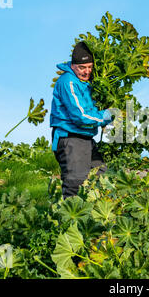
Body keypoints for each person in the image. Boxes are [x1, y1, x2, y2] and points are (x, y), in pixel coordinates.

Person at [50, 41, 112, 199]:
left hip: (86, 139)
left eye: (90, 67)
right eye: (82, 67)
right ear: (73, 65)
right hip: (70, 138)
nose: (87, 71)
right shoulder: (68, 82)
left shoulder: (86, 83)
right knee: (75, 186)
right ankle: (69, 221)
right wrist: (104, 116)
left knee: (102, 178)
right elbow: (80, 116)